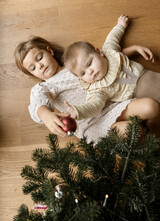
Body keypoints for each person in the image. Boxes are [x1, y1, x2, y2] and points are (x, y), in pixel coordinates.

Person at [14, 34, 160, 144]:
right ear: (32, 74)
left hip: (112, 105)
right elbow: (38, 102)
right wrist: (45, 115)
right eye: (32, 68)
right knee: (135, 131)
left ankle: (155, 136)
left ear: (49, 51)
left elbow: (106, 58)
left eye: (39, 58)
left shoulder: (74, 63)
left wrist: (132, 50)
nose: (39, 66)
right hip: (92, 124)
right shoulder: (45, 87)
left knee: (151, 106)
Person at [63, 15, 160, 123]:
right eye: (83, 73)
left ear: (99, 52)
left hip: (147, 75)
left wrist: (120, 25)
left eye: (90, 63)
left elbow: (113, 38)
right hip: (140, 95)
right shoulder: (97, 89)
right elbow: (94, 105)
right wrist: (78, 111)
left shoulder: (109, 50)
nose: (90, 71)